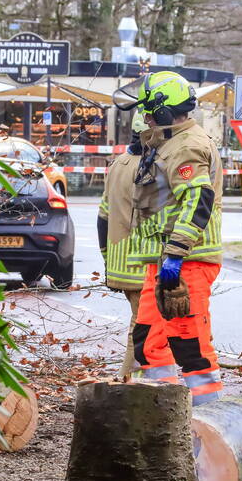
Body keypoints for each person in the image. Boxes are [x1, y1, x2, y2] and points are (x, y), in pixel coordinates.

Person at [111, 71, 224, 405]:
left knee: (191, 347)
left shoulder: (185, 146)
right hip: (162, 262)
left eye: (148, 110)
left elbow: (197, 201)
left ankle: (209, 426)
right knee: (149, 343)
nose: (144, 117)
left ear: (162, 110)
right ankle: (162, 415)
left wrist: (175, 254)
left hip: (185, 261)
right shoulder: (168, 143)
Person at [98, 114, 150, 380]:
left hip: (119, 262)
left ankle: (137, 379)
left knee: (141, 323)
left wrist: (107, 258)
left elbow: (103, 217)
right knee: (142, 326)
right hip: (142, 263)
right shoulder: (150, 167)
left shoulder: (118, 164)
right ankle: (129, 381)